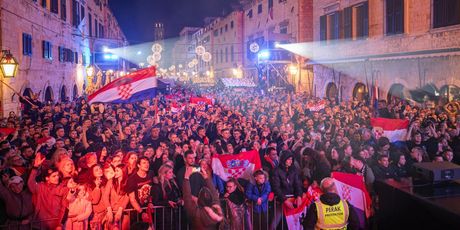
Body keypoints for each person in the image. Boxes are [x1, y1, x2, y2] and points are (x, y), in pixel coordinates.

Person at [27, 153, 75, 229]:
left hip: (54, 224)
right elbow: (30, 183)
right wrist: (35, 167)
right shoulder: (40, 187)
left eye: (57, 176)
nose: (57, 178)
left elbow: (64, 207)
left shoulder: (62, 188)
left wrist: (60, 224)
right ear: (47, 178)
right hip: (39, 224)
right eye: (54, 176)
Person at [270, 151, 302, 229]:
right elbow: (276, 188)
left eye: (292, 159)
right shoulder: (276, 171)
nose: (291, 161)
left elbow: (298, 184)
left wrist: (299, 196)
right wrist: (284, 200)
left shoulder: (294, 170)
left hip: (292, 199)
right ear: (284, 159)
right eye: (289, 159)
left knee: (293, 222)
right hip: (281, 201)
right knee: (275, 222)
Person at [150, 164, 182, 230]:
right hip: (162, 216)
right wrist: (167, 202)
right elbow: (155, 201)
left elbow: (174, 196)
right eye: (170, 172)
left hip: (171, 214)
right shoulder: (157, 185)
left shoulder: (172, 183)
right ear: (164, 173)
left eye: (172, 172)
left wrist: (179, 200)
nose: (172, 174)